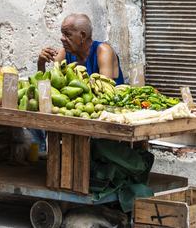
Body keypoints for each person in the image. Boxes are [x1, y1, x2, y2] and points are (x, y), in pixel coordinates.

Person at [30, 13, 125, 151]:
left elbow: (104, 92)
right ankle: (37, 160)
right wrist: (41, 64)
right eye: (62, 34)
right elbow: (49, 91)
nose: (62, 39)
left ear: (83, 36)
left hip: (103, 113)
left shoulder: (102, 51)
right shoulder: (63, 54)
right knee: (35, 118)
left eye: (67, 34)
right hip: (74, 111)